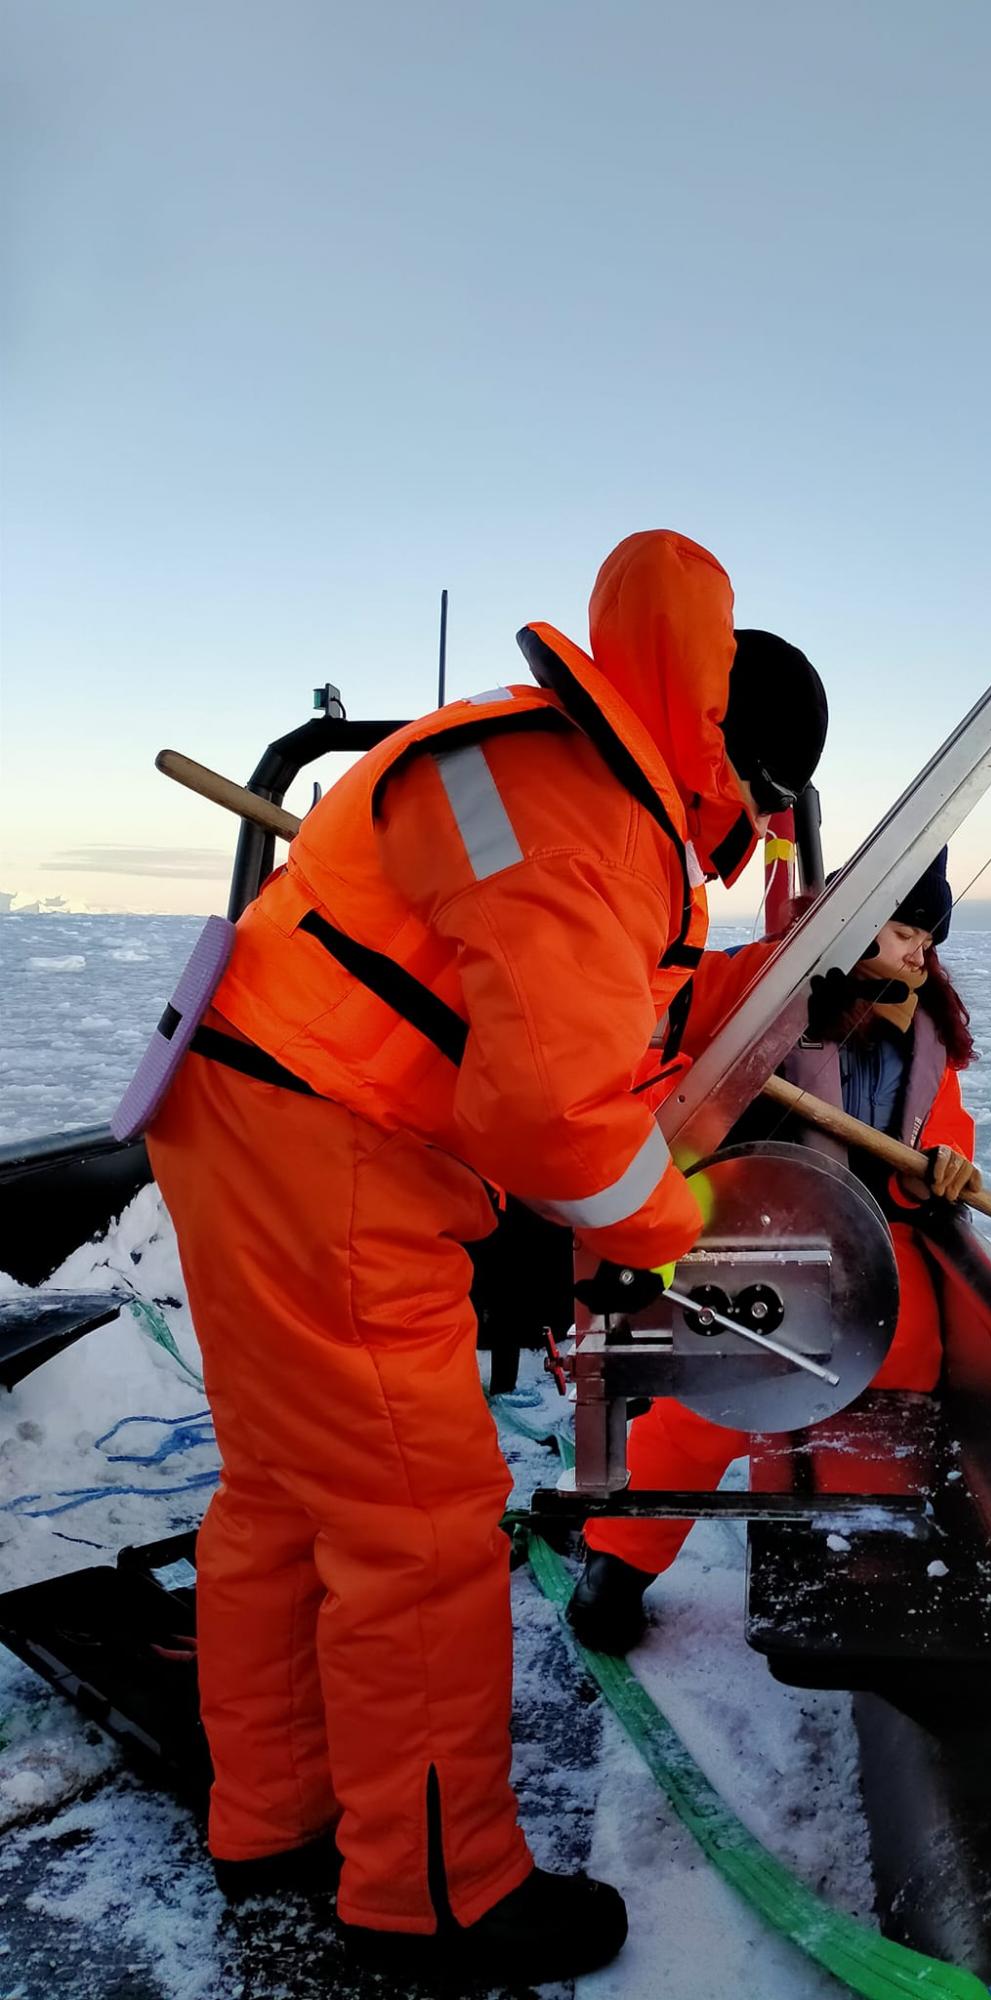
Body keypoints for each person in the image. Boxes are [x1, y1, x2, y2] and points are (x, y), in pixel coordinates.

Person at [145, 530, 827, 1986]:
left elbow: (535, 1017)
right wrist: (676, 1232)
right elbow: (553, 1119)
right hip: (330, 1153)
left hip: (247, 1115)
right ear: (743, 771)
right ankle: (437, 1899)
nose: (757, 843)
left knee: (283, 1499)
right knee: (423, 1530)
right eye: (772, 817)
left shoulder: (532, 763)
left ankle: (270, 1818)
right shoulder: (597, 825)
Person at [567, 848, 980, 1653]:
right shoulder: (767, 1004)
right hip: (768, 1234)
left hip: (874, 1246)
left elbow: (941, 1133)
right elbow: (671, 1091)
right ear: (853, 928)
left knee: (910, 1369)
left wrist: (942, 1172)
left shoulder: (926, 1036)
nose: (919, 955)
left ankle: (872, 1565)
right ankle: (616, 1561)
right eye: (904, 932)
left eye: (927, 942)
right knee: (713, 1396)